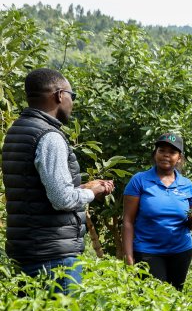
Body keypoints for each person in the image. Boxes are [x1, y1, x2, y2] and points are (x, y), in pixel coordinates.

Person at [2, 68, 114, 293]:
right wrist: (92, 192)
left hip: (27, 250)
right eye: (72, 96)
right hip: (53, 257)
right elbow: (61, 199)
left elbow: (34, 190)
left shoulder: (17, 130)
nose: (72, 103)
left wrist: (81, 187)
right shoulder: (49, 136)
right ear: (60, 95)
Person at [122, 132, 192, 290]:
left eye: (172, 152)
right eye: (161, 151)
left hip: (181, 252)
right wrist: (129, 257)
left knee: (175, 297)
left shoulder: (187, 185)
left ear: (179, 158)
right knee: (153, 297)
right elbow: (127, 221)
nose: (166, 155)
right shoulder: (139, 181)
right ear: (155, 154)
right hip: (147, 251)